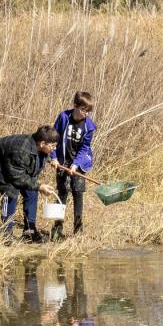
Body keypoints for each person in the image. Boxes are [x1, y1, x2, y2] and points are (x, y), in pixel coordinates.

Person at [0, 126, 57, 241]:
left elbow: (29, 174)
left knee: (32, 190)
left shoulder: (40, 148)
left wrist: (52, 159)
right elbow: (16, 177)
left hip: (12, 164)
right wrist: (40, 186)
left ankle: (29, 232)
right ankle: (5, 234)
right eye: (52, 146)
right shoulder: (21, 150)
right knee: (11, 190)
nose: (54, 149)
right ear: (42, 144)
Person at [50, 91, 97, 238]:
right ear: (75, 106)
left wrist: (75, 165)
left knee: (78, 192)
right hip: (62, 161)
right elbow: (53, 138)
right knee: (62, 193)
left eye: (88, 111)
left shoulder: (89, 126)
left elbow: (84, 148)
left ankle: (78, 230)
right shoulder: (64, 117)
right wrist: (53, 157)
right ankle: (57, 229)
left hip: (79, 163)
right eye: (84, 110)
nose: (86, 114)